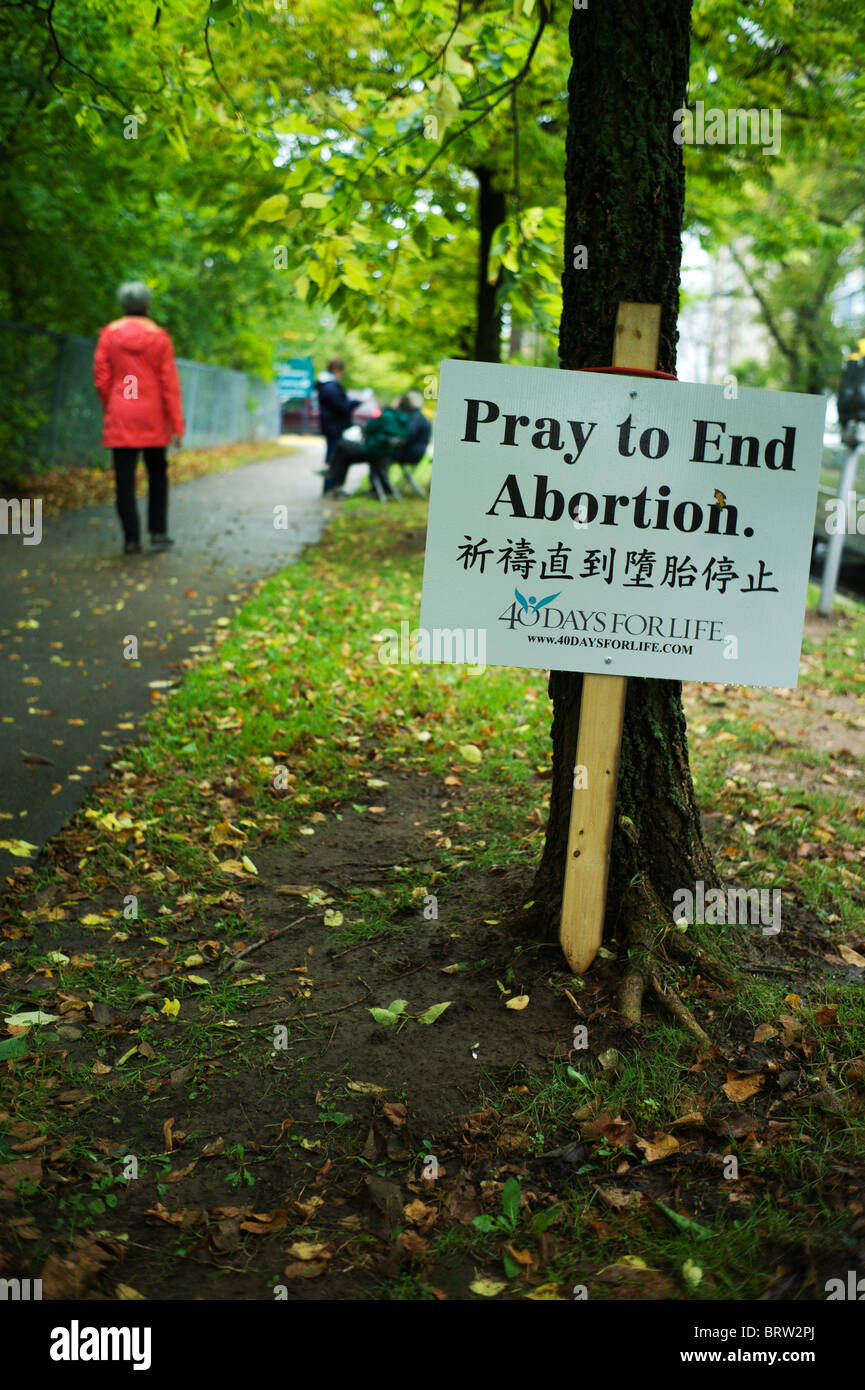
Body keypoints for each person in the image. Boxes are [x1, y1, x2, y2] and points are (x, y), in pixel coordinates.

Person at [93, 281, 184, 555]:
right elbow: (169, 383)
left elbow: (101, 378)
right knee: (157, 473)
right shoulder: (159, 337)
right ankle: (158, 532)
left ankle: (131, 539)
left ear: (123, 306)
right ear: (147, 305)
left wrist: (113, 404)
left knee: (124, 477)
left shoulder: (109, 334)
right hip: (153, 415)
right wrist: (177, 424)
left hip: (122, 410)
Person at [324, 401, 412, 498]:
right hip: (386, 453)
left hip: (374, 451)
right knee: (345, 454)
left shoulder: (386, 415)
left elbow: (369, 427)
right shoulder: (403, 419)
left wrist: (374, 418)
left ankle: (333, 475)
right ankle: (334, 478)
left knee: (342, 445)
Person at [314, 359, 363, 467]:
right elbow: (341, 406)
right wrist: (355, 403)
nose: (342, 375)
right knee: (334, 456)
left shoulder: (326, 385)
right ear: (336, 370)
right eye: (342, 372)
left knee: (333, 454)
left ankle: (331, 481)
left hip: (331, 425)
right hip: (334, 425)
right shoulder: (331, 386)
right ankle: (331, 483)